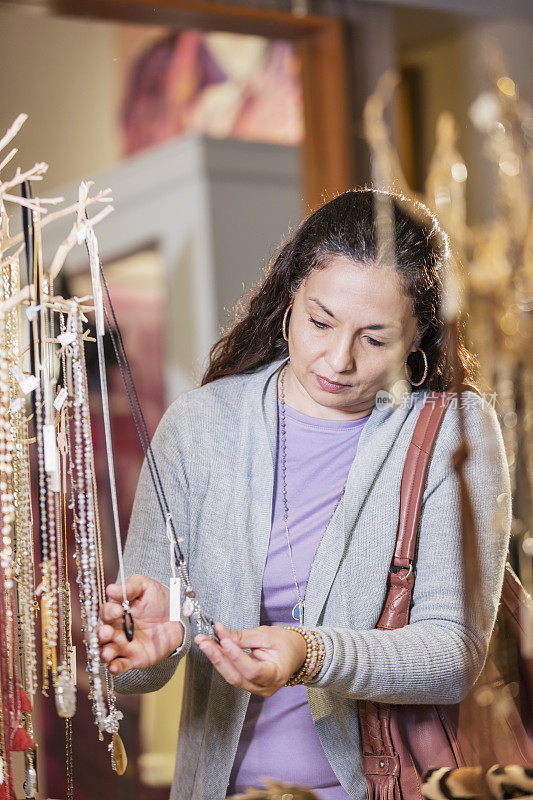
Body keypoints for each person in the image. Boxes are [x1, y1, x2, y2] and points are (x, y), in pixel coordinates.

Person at [98, 189, 511, 800]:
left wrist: (310, 652)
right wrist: (154, 643)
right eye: (320, 322)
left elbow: (452, 656)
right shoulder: (201, 425)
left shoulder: (454, 431)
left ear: (419, 334)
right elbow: (136, 670)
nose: (338, 359)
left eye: (375, 339)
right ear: (289, 298)